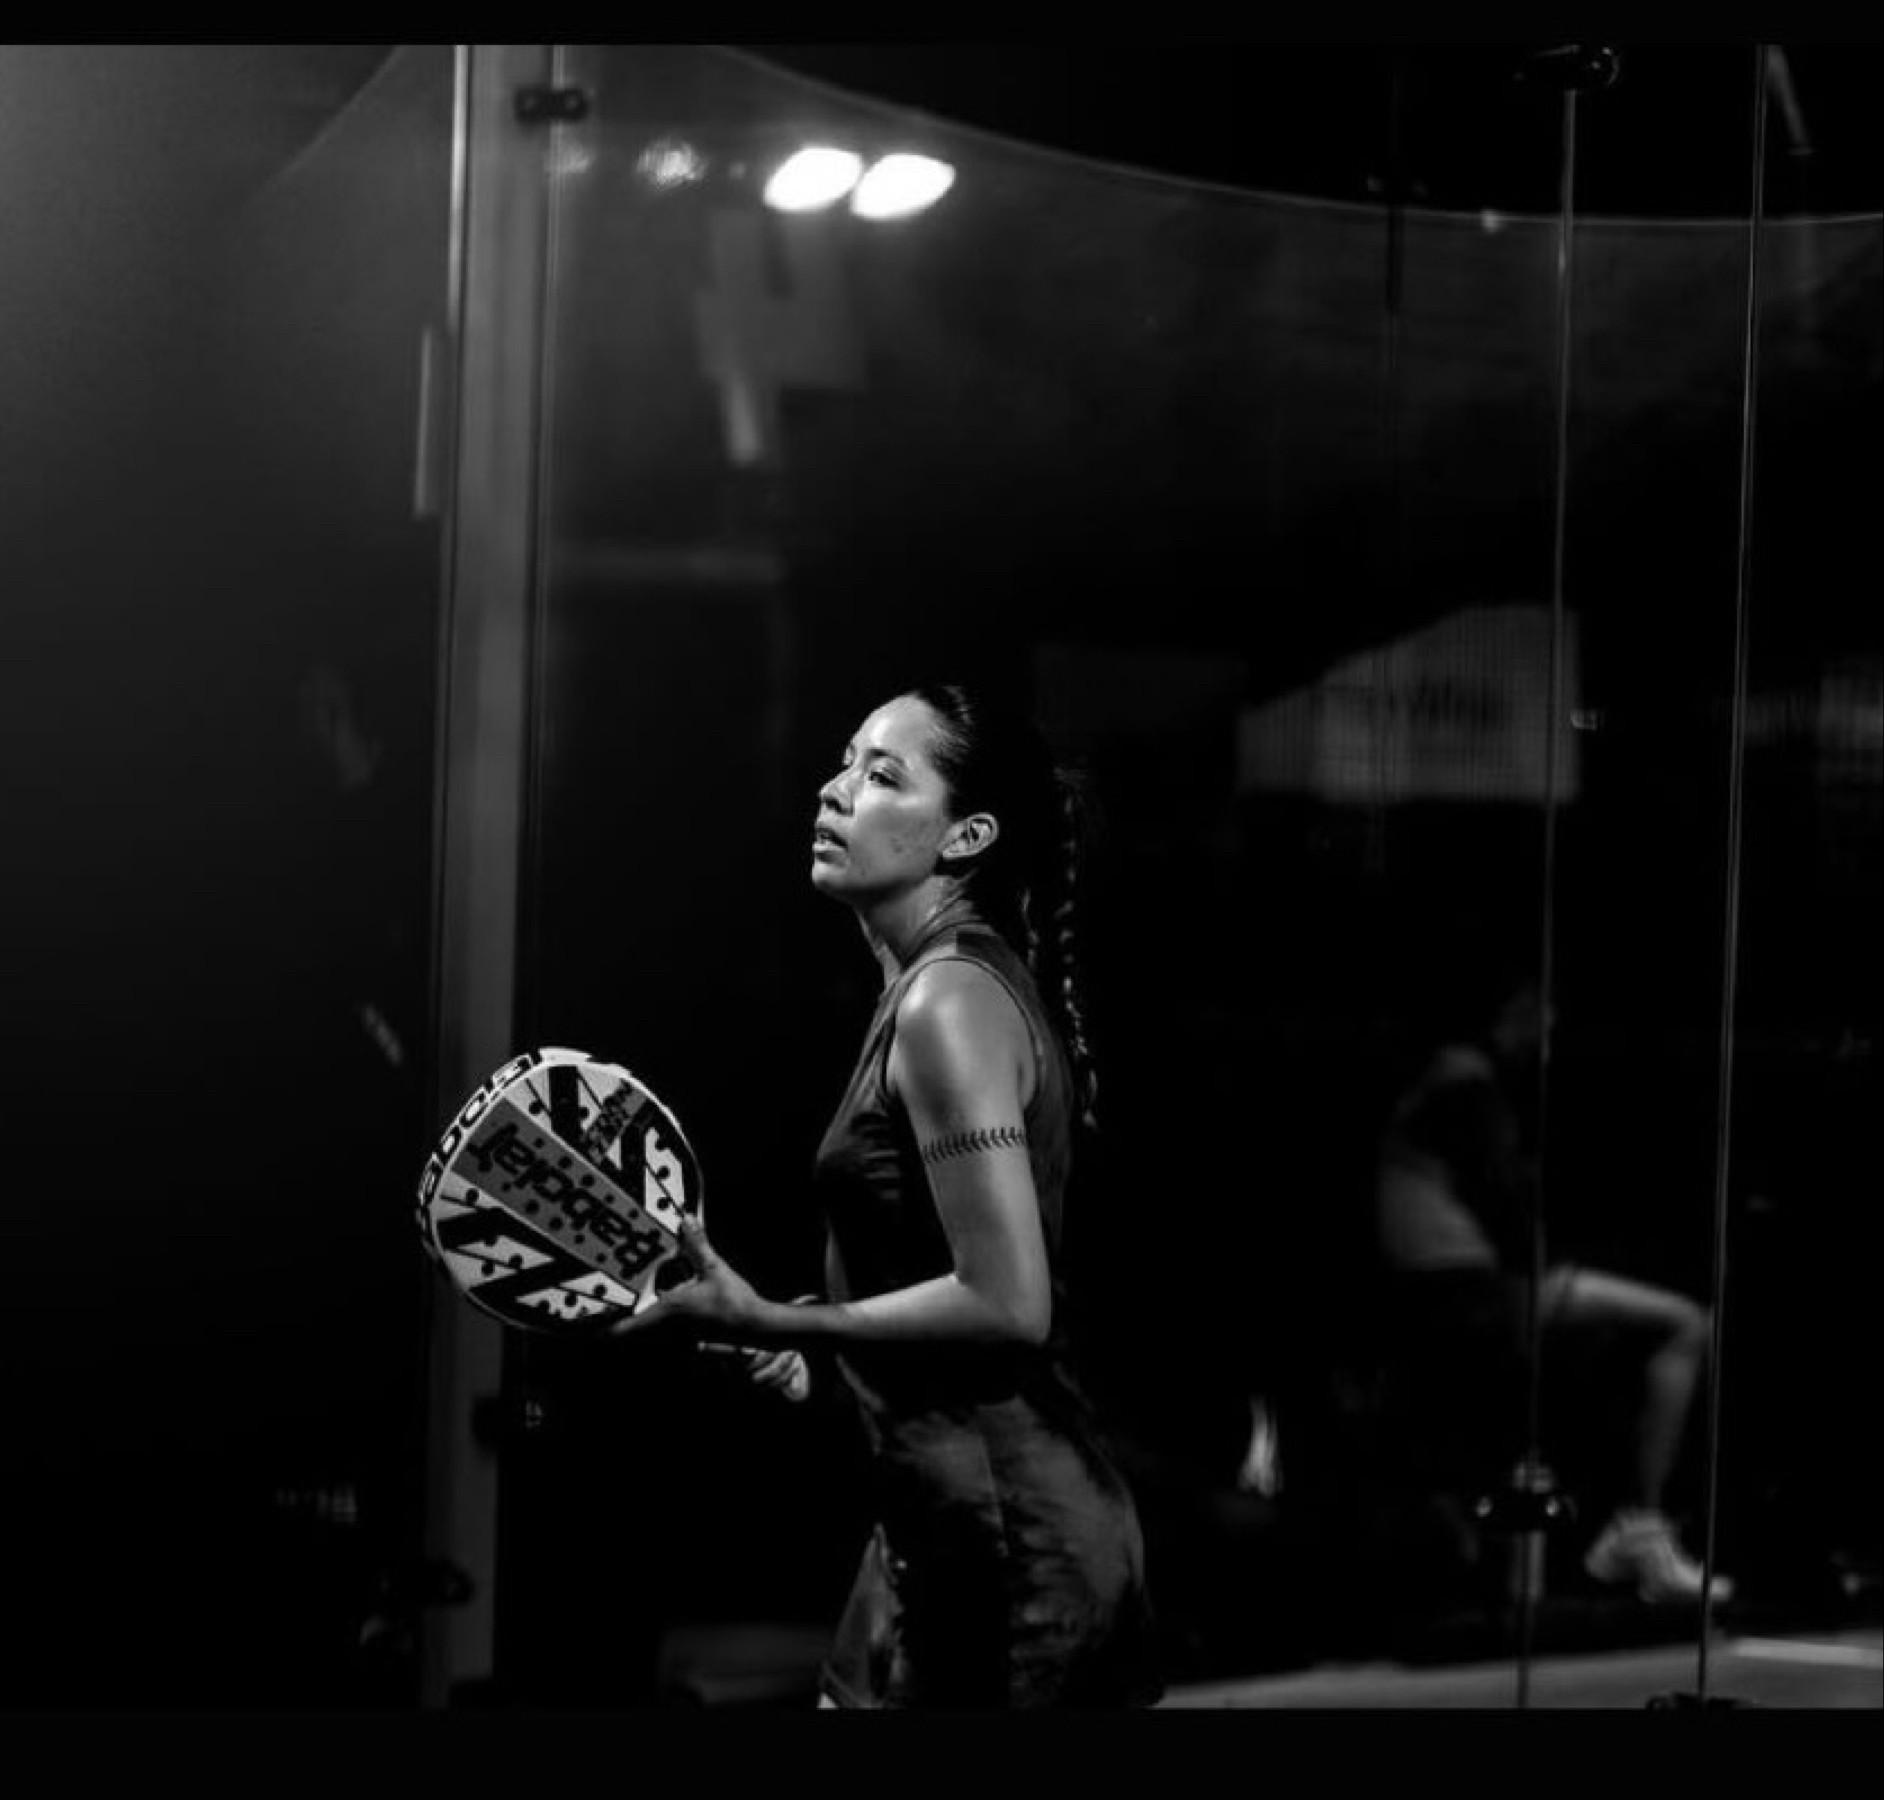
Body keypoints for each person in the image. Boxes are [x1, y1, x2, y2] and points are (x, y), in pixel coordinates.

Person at [613, 681, 1161, 1709]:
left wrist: (770, 1318)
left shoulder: (949, 1001)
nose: (834, 791)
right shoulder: (928, 989)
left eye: (881, 776)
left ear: (967, 836)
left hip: (1016, 1555)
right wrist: (820, 1341)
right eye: (844, 762)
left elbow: (1007, 1302)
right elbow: (940, 1280)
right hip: (929, 1533)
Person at [1375, 974, 1733, 1607]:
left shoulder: (1438, 1081)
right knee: (1684, 1322)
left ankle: (1621, 1529)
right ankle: (1641, 1527)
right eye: (1541, 1011)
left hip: (1464, 1284)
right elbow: (1512, 1220)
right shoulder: (1465, 1087)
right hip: (1470, 1288)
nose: (1549, 1027)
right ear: (1511, 1010)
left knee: (1619, 1342)